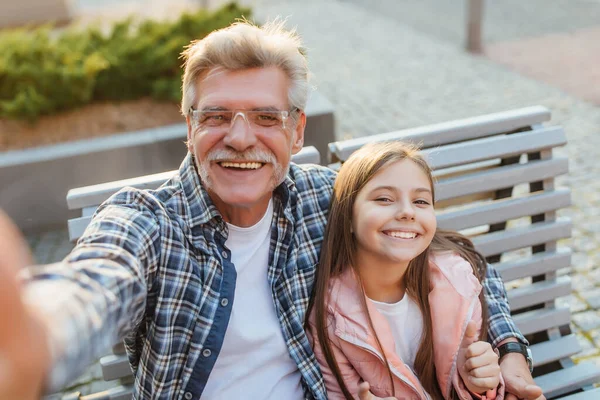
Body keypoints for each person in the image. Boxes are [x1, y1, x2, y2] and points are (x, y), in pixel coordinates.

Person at [0, 19, 544, 400]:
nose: (241, 139)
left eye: (265, 117)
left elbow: (454, 259)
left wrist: (509, 348)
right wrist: (39, 333)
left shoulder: (321, 199)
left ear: (296, 129)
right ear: (189, 127)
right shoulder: (149, 219)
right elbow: (99, 282)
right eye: (216, 116)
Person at [307, 141, 503, 399]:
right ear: (349, 217)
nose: (407, 212)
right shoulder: (330, 317)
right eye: (384, 199)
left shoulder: (457, 283)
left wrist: (478, 385)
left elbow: (472, 383)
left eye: (421, 201)